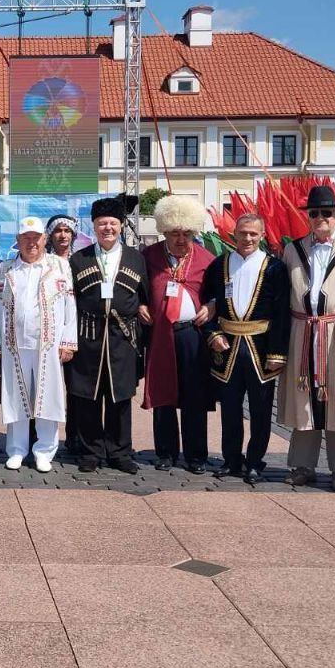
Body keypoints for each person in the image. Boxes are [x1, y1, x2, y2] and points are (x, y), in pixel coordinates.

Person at [279, 184, 335, 492]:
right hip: (302, 330)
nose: (321, 218)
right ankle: (303, 465)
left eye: (327, 213)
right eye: (315, 213)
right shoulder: (293, 249)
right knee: (304, 398)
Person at [202, 214, 291, 483]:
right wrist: (213, 334)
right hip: (228, 348)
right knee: (230, 409)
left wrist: (277, 354)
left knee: (261, 410)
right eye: (243, 233)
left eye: (253, 234)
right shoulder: (219, 265)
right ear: (234, 234)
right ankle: (231, 460)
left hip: (260, 348)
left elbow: (282, 314)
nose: (248, 238)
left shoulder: (274, 268)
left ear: (262, 235)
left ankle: (255, 461)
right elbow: (207, 303)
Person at [67, 197, 147, 474]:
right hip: (88, 335)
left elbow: (145, 296)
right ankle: (91, 451)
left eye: (113, 223)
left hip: (123, 338)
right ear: (94, 226)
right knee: (87, 398)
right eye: (102, 224)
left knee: (120, 399)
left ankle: (120, 452)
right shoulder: (79, 259)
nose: (108, 228)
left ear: (122, 225)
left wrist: (145, 308)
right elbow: (70, 302)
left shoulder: (137, 259)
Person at [0, 216, 77, 472]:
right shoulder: (4, 270)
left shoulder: (59, 266)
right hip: (13, 344)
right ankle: (16, 449)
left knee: (48, 397)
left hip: (48, 345)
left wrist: (68, 341)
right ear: (17, 241)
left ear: (44, 239)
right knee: (15, 397)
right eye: (26, 238)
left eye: (36, 238)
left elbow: (69, 306)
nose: (32, 243)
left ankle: (44, 451)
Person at [140, 194, 214, 473]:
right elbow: (135, 288)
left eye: (186, 233)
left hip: (192, 335)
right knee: (163, 395)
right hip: (160, 334)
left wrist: (212, 305)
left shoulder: (207, 259)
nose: (180, 239)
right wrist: (140, 305)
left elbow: (219, 293)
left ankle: (196, 456)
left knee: (194, 395)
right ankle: (165, 453)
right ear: (164, 231)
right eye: (174, 234)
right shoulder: (149, 256)